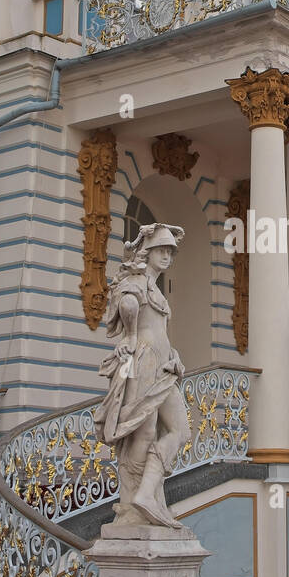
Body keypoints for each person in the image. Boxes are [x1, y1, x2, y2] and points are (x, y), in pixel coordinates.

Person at [94, 223, 189, 526]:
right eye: (162, 250)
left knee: (179, 430)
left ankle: (146, 494)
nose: (167, 257)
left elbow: (159, 328)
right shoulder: (136, 279)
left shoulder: (156, 287)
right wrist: (132, 335)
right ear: (147, 252)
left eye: (170, 252)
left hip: (163, 364)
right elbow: (126, 302)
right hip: (144, 361)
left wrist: (173, 355)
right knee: (144, 431)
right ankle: (133, 501)